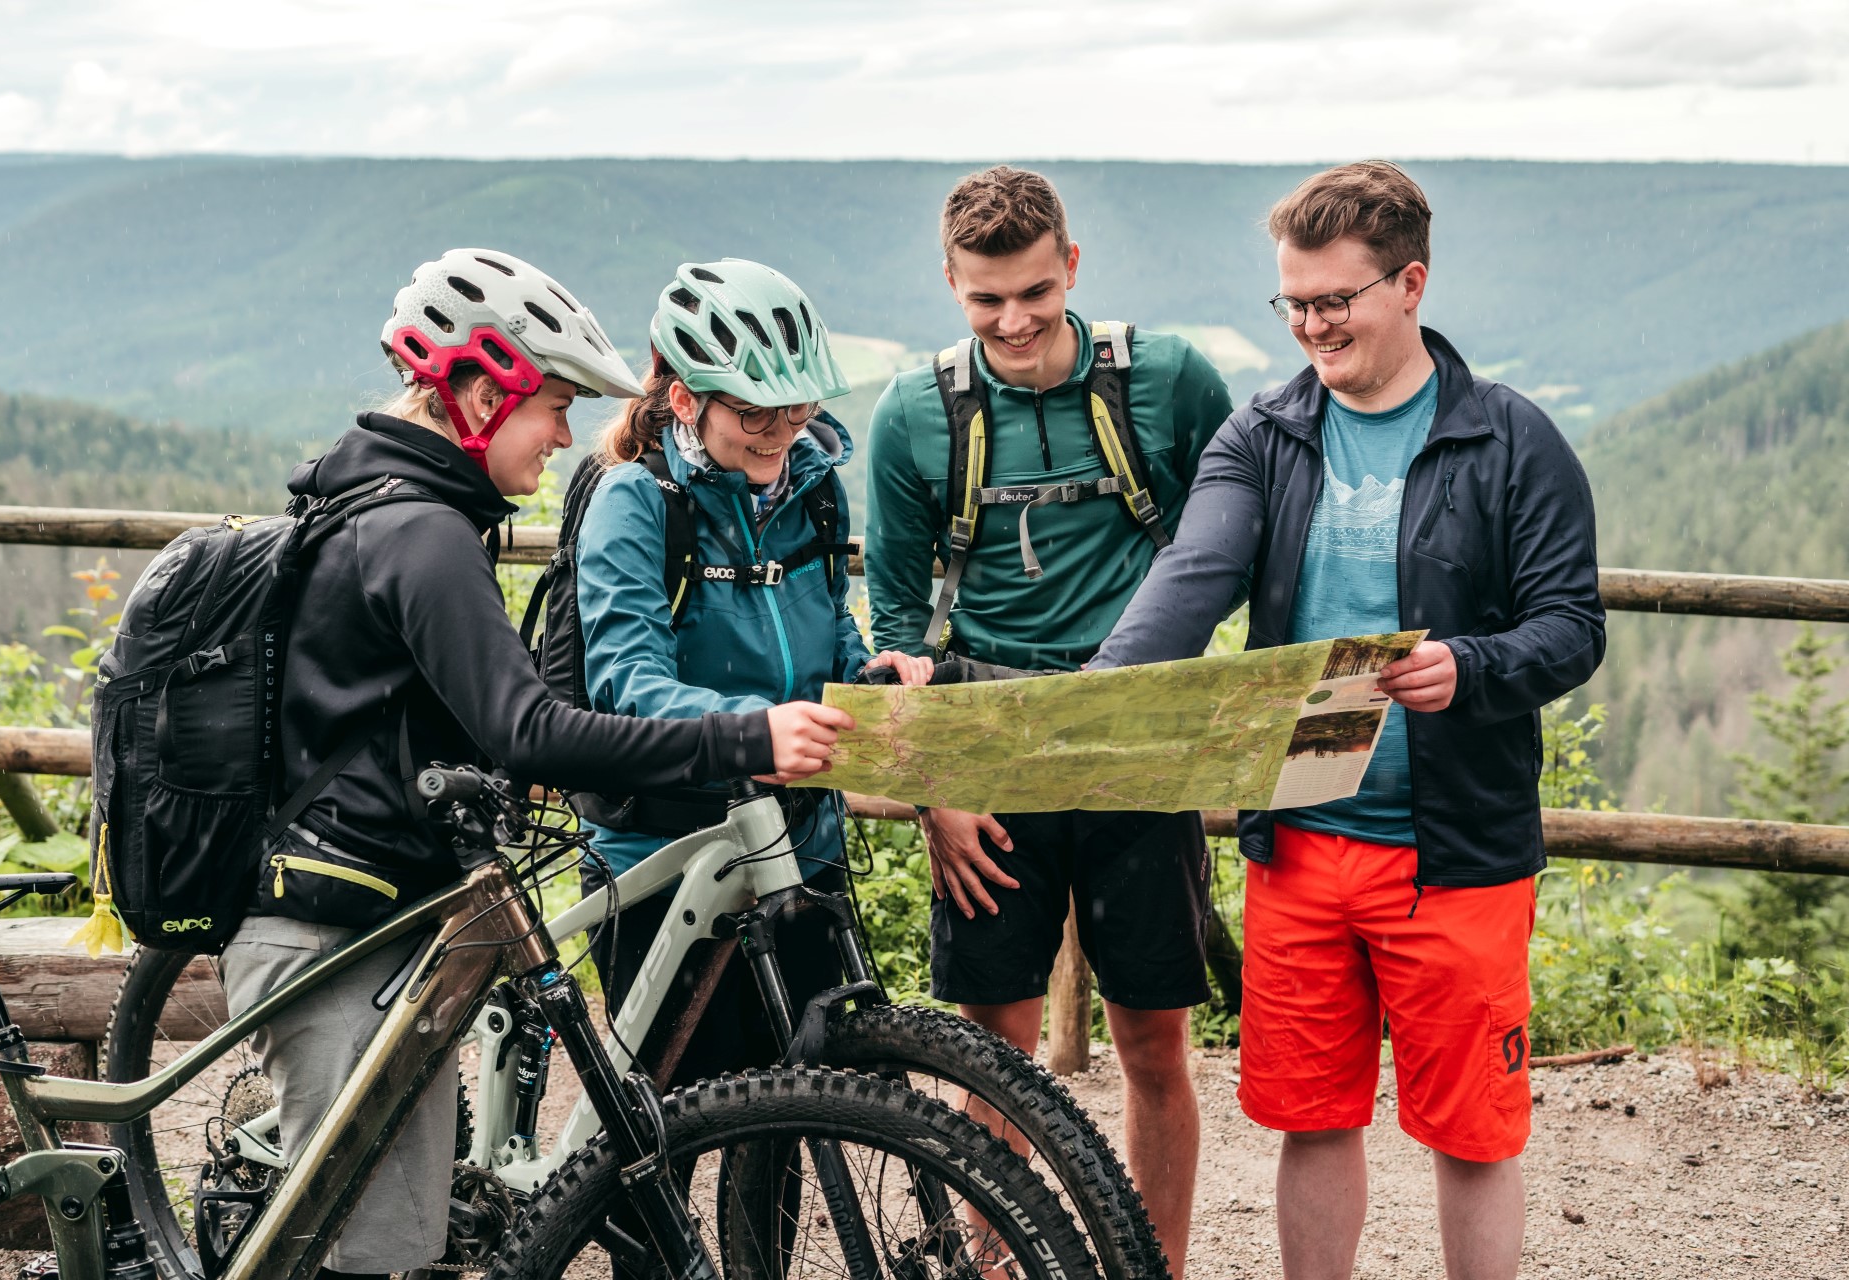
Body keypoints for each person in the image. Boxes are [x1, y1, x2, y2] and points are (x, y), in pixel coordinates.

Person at [218, 248, 851, 1280]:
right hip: (338, 922)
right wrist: (748, 734)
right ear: (476, 392)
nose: (564, 433)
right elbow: (537, 731)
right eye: (550, 404)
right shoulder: (419, 533)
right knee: (369, 1251)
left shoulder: (408, 506)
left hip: (382, 899)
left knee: (398, 1226)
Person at [1091, 162, 1606, 1280]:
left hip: (1455, 846)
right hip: (1305, 824)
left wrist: (1469, 665)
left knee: (1472, 1131)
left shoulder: (1514, 440)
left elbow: (1572, 627)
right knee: (1311, 1116)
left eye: (1336, 300)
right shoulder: (1265, 433)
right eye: (1295, 302)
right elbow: (1193, 576)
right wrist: (1103, 691)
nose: (1313, 325)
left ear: (1410, 282)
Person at [865, 165, 1235, 1273]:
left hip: (1137, 727)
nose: (1014, 321)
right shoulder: (913, 413)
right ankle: (995, 1262)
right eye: (986, 300)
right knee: (996, 1053)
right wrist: (937, 788)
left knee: (1155, 1041)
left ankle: (1152, 1266)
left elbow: (1234, 531)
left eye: (1034, 291)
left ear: (1072, 266)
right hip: (990, 732)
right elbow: (894, 621)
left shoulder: (1166, 380)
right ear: (950, 284)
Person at [574, 256, 931, 1082]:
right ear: (684, 399)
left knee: (787, 1103)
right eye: (754, 411)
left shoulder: (810, 487)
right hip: (664, 850)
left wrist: (867, 667)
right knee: (665, 1125)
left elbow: (825, 624)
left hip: (795, 841)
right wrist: (747, 733)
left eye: (797, 406)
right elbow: (625, 677)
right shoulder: (636, 499)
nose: (780, 429)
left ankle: (760, 1224)